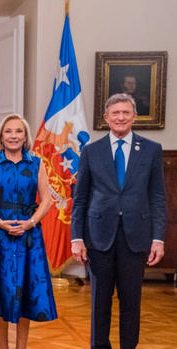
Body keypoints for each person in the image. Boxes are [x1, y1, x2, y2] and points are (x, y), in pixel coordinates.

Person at [71, 93, 166, 349]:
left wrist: (158, 238)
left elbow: (157, 196)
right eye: (115, 113)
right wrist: (77, 238)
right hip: (99, 237)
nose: (120, 118)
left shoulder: (151, 150)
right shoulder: (91, 152)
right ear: (106, 118)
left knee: (131, 302)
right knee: (100, 302)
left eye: (126, 113)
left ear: (134, 117)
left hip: (136, 238)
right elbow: (79, 199)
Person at [0, 114, 57, 349]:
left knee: (25, 290)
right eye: (8, 131)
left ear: (25, 136)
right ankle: (3, 347)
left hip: (28, 237)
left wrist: (30, 223)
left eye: (18, 131)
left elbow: (47, 200)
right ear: (1, 136)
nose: (14, 136)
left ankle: (21, 347)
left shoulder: (36, 164)